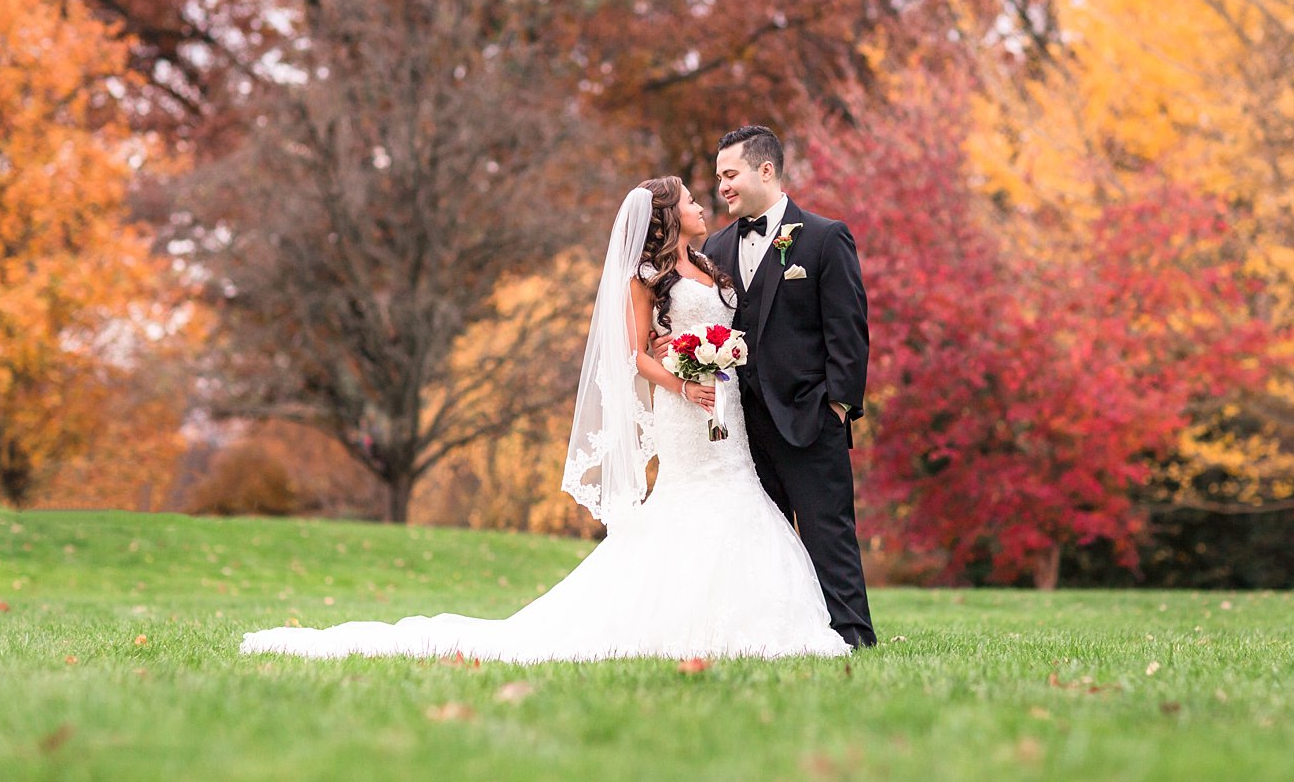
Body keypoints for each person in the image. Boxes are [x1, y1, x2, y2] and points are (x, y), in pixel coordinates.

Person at [239, 176, 849, 662]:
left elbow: (725, 326)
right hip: (685, 410)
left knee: (740, 494)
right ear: (667, 216)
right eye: (691, 198)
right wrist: (684, 382)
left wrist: (720, 362)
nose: (702, 202)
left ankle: (752, 620)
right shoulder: (646, 277)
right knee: (696, 503)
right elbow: (635, 355)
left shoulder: (710, 264)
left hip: (727, 409)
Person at [699, 125, 875, 649]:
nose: (722, 187)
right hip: (742, 432)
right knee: (762, 544)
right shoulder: (715, 247)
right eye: (718, 178)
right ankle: (775, 639)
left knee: (829, 535)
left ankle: (854, 636)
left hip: (810, 417)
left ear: (766, 170)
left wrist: (838, 406)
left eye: (730, 175)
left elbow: (849, 330)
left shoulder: (824, 237)